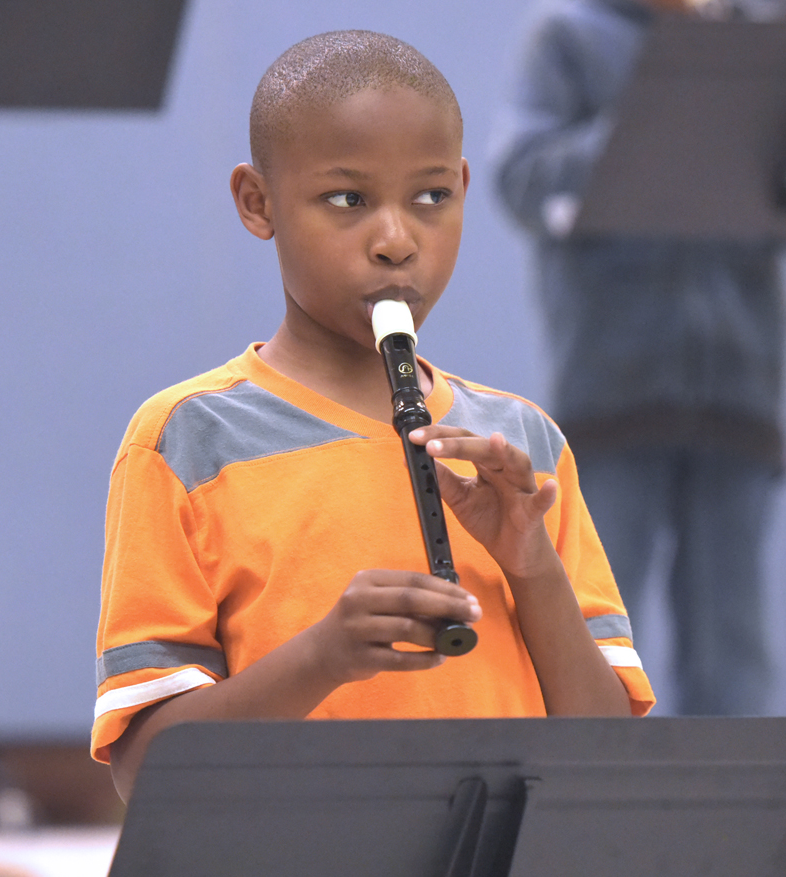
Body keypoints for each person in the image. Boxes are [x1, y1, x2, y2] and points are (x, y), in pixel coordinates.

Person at [92, 30, 655, 803]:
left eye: (431, 197)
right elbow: (146, 772)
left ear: (462, 186)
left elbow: (604, 757)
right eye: (347, 199)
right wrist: (323, 655)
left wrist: (533, 565)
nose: (397, 241)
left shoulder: (523, 443)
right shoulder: (187, 440)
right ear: (258, 203)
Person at [490, 0, 785, 715]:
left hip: (739, 386)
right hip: (611, 386)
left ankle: (731, 819)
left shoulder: (754, 43)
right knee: (595, 628)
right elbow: (519, 176)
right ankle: (591, 815)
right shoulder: (569, 35)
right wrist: (655, 118)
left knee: (732, 643)